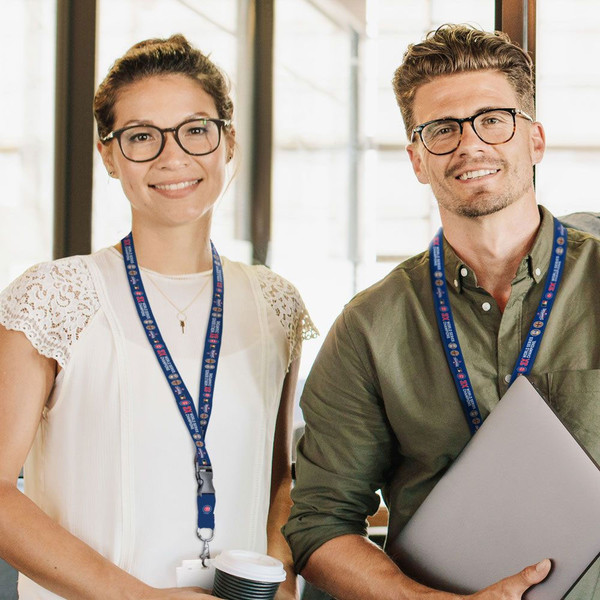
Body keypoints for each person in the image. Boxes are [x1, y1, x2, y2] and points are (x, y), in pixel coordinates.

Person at [283, 24, 600, 600]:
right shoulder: (368, 328)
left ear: (535, 140)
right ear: (416, 159)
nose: (470, 144)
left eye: (493, 119)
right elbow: (319, 523)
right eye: (442, 130)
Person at [0, 34, 316, 600]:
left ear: (227, 143)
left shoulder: (276, 302)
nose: (173, 157)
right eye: (142, 137)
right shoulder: (54, 294)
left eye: (196, 130)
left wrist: (279, 576)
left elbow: (277, 481)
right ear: (109, 155)